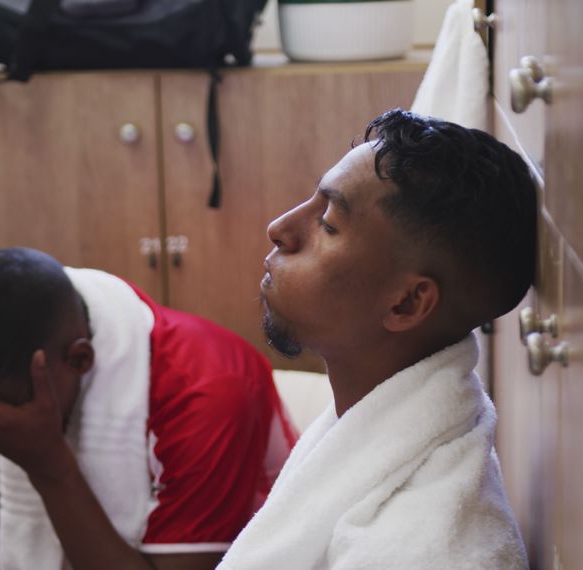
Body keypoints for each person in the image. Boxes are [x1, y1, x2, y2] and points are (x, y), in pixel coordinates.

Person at [219, 109, 534, 569]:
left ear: (407, 304)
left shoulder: (426, 551)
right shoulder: (372, 438)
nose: (280, 229)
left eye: (327, 223)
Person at [0, 248, 296, 570]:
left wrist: (48, 465)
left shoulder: (209, 392)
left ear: (80, 359)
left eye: (4, 409)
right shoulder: (5, 365)